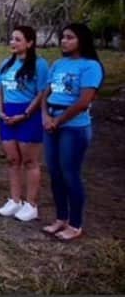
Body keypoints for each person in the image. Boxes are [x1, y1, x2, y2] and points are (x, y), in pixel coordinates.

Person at [40, 23, 103, 242]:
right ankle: (61, 218)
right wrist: (46, 117)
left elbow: (84, 101)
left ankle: (75, 224)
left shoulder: (90, 66)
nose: (64, 41)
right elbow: (46, 93)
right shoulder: (58, 64)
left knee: (70, 173)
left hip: (73, 126)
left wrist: (58, 120)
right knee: (55, 172)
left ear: (81, 40)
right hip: (52, 123)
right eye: (62, 37)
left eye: (70, 37)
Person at [0, 26, 49, 222]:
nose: (13, 43)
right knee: (12, 160)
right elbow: (0, 89)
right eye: (12, 39)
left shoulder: (39, 64)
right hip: (7, 114)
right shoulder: (6, 64)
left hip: (28, 114)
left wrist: (26, 114)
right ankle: (14, 200)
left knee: (30, 161)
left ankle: (31, 204)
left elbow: (42, 92)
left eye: (18, 39)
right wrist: (0, 110)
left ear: (29, 43)